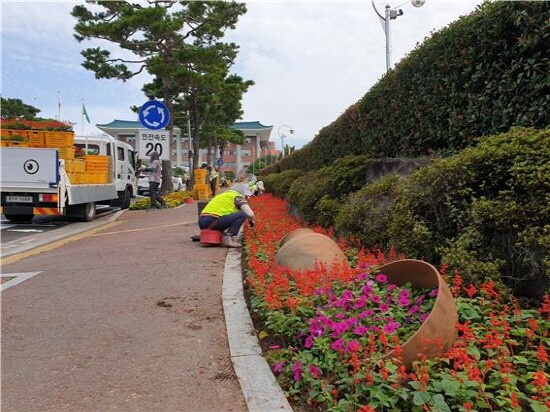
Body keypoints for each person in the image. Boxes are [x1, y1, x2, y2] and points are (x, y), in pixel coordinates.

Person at [198, 182, 255, 248]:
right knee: (242, 214)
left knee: (229, 217)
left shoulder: (222, 195)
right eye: (246, 195)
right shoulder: (237, 196)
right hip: (212, 221)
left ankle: (211, 239)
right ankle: (229, 238)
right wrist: (251, 223)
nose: (247, 197)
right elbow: (249, 213)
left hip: (202, 222)